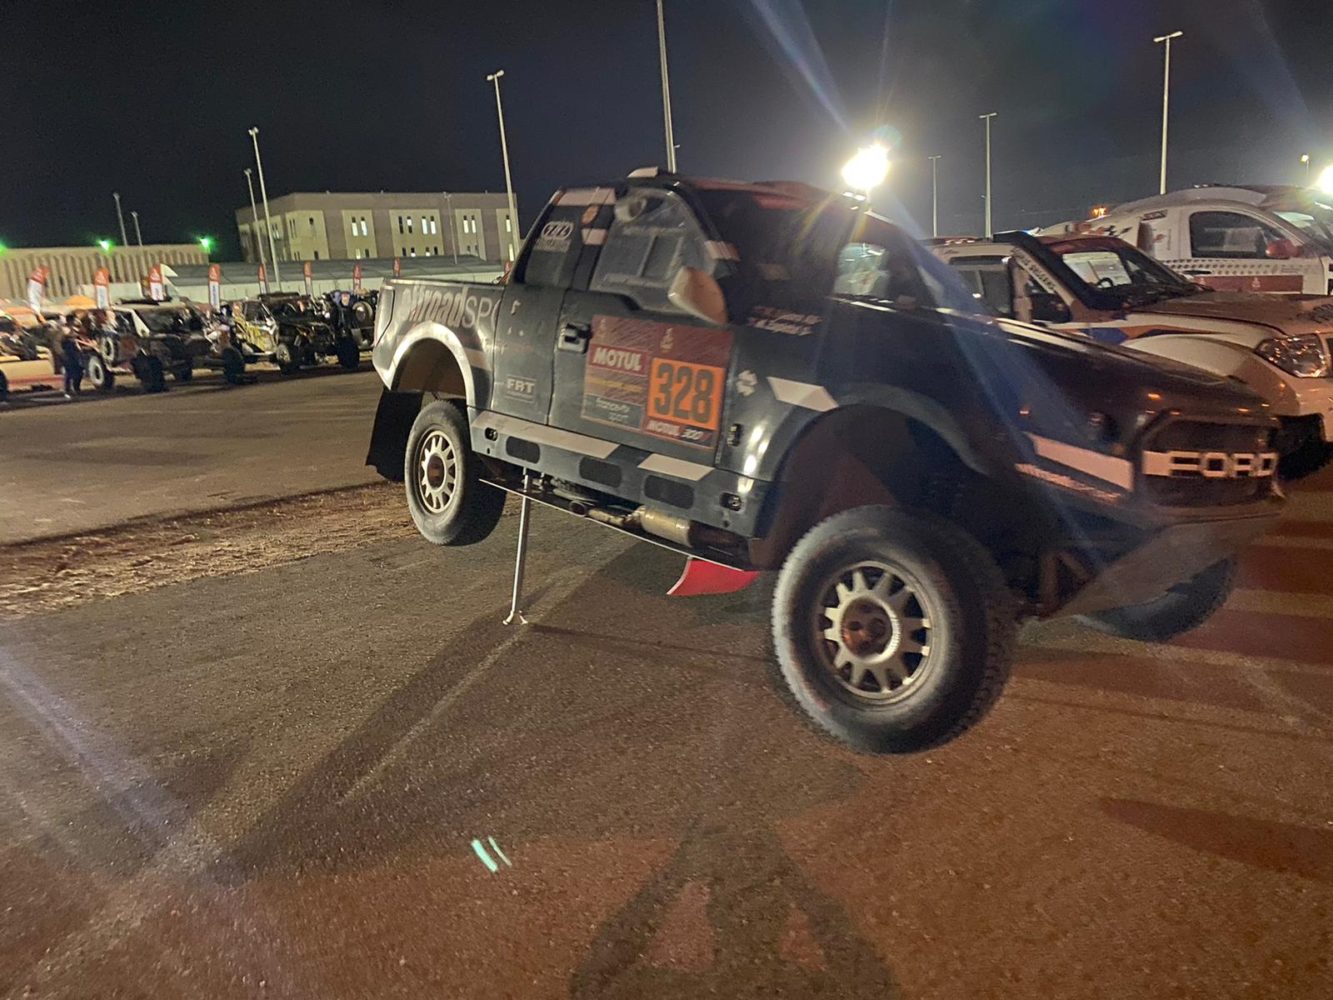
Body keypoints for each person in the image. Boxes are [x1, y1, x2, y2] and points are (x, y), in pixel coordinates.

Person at [61, 327, 84, 398]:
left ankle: (76, 388)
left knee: (79, 373)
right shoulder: (67, 343)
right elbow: (70, 352)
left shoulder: (74, 342)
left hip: (75, 360)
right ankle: (68, 390)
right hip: (69, 360)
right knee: (69, 374)